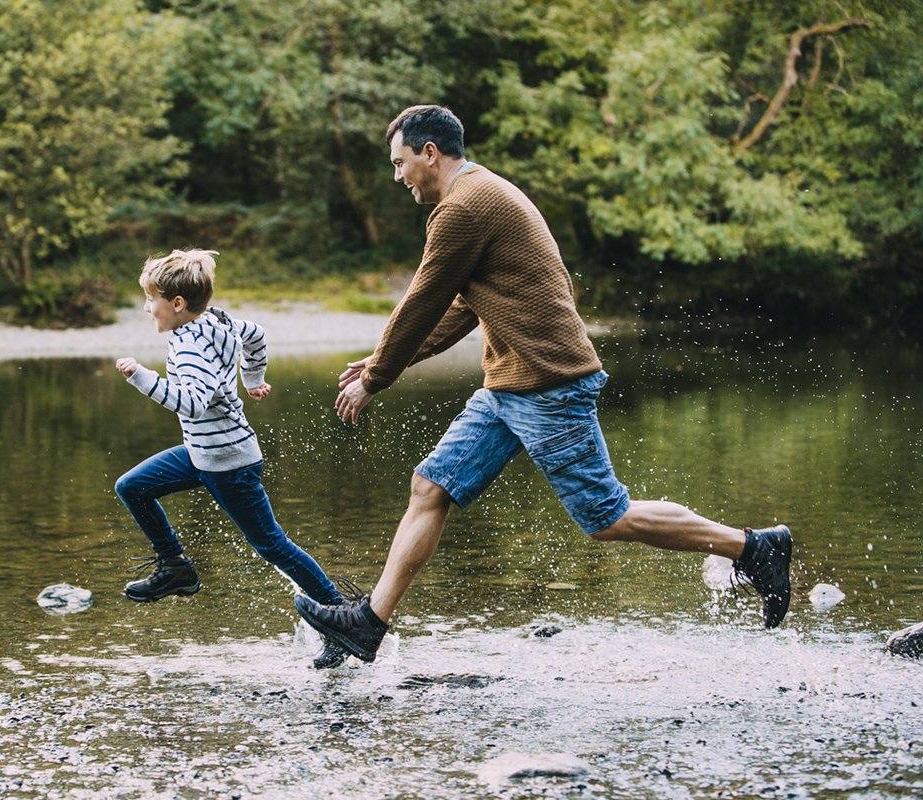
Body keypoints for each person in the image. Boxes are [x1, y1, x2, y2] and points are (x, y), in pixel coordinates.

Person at [294, 105, 793, 663]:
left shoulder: (463, 207)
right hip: (510, 385)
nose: (397, 176)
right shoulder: (480, 194)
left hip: (548, 384)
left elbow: (423, 299)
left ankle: (753, 548)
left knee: (607, 518)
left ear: (429, 153)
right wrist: (387, 359)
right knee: (430, 488)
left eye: (399, 162)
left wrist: (377, 377)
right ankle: (369, 625)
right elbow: (460, 305)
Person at [115, 248, 348, 668]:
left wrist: (141, 377)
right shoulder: (218, 321)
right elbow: (256, 334)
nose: (147, 308)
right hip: (202, 454)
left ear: (177, 303)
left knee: (273, 546)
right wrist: (252, 379)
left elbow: (192, 404)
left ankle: (340, 618)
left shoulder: (188, 346)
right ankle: (175, 567)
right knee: (132, 487)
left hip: (229, 462)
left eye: (151, 299)